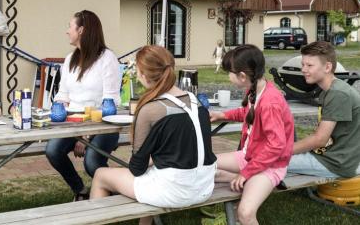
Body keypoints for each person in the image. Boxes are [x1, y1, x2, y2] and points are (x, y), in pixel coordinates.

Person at [90, 45, 217, 225]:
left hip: (173, 191)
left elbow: (137, 167)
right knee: (153, 171)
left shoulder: (150, 109)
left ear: (142, 75)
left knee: (101, 174)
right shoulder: (195, 101)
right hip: (204, 186)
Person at [209, 45, 294, 225]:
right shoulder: (256, 88)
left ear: (242, 76)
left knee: (245, 213)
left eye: (229, 72)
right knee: (205, 165)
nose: (228, 77)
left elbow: (276, 146)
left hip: (270, 165)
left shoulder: (270, 102)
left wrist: (247, 172)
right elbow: (248, 112)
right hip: (250, 157)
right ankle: (248, 182)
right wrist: (222, 115)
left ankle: (252, 181)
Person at [45, 10, 122, 201]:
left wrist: (86, 136)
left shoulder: (107, 58)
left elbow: (110, 102)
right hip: (73, 123)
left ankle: (120, 191)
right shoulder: (70, 59)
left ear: (82, 30)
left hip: (104, 125)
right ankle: (80, 190)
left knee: (92, 162)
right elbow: (62, 95)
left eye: (70, 26)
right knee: (52, 150)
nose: (66, 31)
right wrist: (55, 118)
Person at [287, 41, 360, 178]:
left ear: (327, 67)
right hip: (333, 156)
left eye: (309, 65)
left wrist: (282, 151)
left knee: (267, 161)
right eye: (303, 64)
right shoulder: (331, 89)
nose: (303, 69)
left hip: (337, 163)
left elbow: (319, 139)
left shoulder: (338, 93)